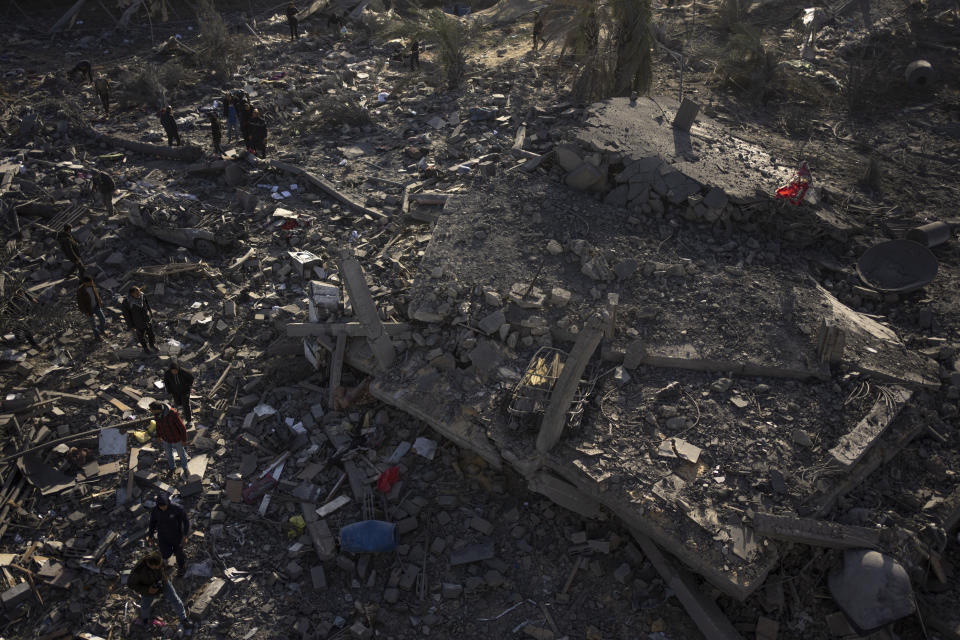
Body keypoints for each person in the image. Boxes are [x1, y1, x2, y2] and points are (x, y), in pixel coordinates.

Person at [128, 552, 192, 635]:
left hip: (163, 583)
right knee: (145, 606)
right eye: (155, 568)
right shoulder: (138, 571)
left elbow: (163, 569)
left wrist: (163, 580)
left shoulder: (159, 558)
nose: (158, 568)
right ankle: (145, 620)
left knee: (175, 599)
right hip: (148, 588)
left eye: (159, 567)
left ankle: (184, 619)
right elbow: (131, 584)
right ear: (148, 564)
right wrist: (147, 590)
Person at [149, 494, 190, 577]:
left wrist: (185, 535)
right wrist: (150, 536)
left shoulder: (177, 508)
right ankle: (167, 563)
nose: (163, 508)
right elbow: (152, 523)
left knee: (178, 553)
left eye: (164, 506)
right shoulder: (155, 511)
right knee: (165, 554)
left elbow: (186, 521)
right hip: (163, 537)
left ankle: (182, 567)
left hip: (176, 536)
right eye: (160, 506)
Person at [150, 401, 190, 475]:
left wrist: (184, 440)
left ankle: (185, 469)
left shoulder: (172, 414)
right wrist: (158, 436)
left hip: (176, 438)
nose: (151, 412)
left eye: (152, 410)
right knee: (168, 454)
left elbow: (182, 427)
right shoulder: (157, 415)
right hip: (166, 438)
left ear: (158, 409)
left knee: (181, 454)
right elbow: (158, 426)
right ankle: (172, 467)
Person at [121, 286, 157, 354]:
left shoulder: (142, 296)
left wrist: (150, 314)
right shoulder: (127, 302)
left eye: (139, 292)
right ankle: (146, 349)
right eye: (136, 293)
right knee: (141, 336)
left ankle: (152, 345)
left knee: (151, 334)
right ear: (132, 294)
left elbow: (147, 305)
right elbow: (127, 316)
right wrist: (131, 326)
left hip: (147, 319)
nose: (139, 294)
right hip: (137, 322)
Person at [163, 361, 195, 426]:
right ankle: (181, 417)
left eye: (175, 370)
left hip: (185, 391)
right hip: (175, 392)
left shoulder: (184, 372)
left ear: (178, 369)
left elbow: (191, 378)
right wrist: (169, 391)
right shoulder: (167, 374)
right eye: (172, 371)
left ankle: (189, 420)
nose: (174, 372)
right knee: (178, 404)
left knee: (185, 404)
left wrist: (188, 386)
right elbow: (166, 383)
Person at [76, 275, 106, 341]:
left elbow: (96, 294)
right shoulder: (80, 291)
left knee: (103, 319)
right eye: (90, 282)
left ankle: (102, 331)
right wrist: (85, 312)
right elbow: (80, 303)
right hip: (88, 309)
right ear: (85, 283)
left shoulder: (92, 286)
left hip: (96, 306)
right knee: (93, 324)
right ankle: (97, 337)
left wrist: (99, 301)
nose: (92, 283)